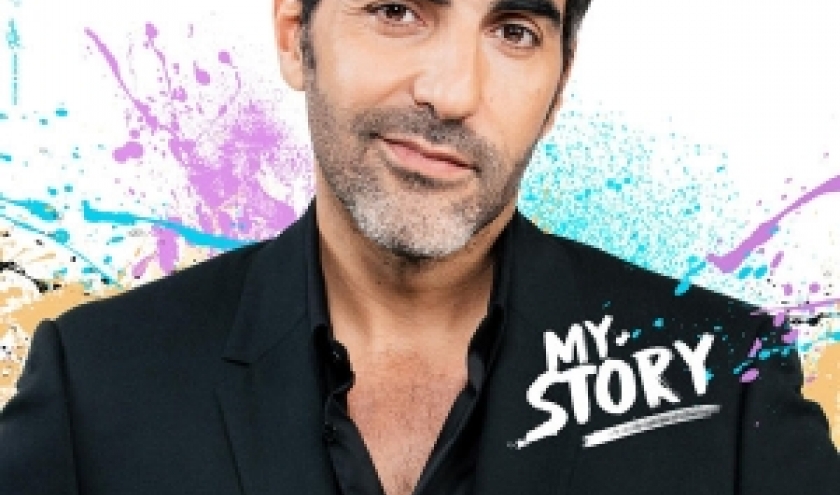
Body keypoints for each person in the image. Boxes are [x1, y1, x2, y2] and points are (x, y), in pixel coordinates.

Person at [1, 0, 838, 493]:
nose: (453, 92)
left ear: (559, 84)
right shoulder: (95, 383)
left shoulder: (726, 380)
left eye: (514, 30)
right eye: (398, 10)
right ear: (295, 35)